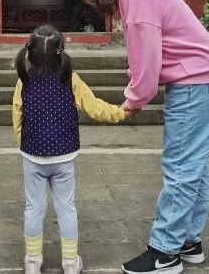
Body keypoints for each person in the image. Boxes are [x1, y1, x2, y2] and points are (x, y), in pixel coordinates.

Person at [80, 0, 209, 274]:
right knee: (193, 162)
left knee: (181, 165)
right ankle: (188, 240)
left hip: (197, 81)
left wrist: (134, 100)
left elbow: (146, 60)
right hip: (207, 75)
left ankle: (165, 252)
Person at [12, 24, 129, 274]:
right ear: (60, 51)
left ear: (30, 53)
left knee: (34, 208)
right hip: (64, 156)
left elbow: (17, 115)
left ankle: (33, 261)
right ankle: (70, 261)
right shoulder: (70, 79)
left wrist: (25, 142)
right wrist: (120, 113)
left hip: (32, 156)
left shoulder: (24, 80)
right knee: (67, 208)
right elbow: (93, 106)